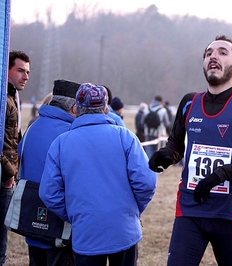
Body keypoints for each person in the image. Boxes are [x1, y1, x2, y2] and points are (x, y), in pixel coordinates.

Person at [148, 35, 232, 265]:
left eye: (222, 52)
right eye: (208, 53)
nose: (213, 56)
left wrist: (221, 174)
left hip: (230, 212)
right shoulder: (189, 102)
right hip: (190, 208)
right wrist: (167, 154)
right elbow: (176, 144)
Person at [39, 83, 157, 266]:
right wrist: (131, 211)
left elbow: (49, 192)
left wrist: (73, 214)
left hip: (86, 231)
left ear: (77, 107)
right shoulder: (125, 138)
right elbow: (147, 182)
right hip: (124, 229)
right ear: (106, 107)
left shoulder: (61, 143)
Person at [18, 79, 80, 266]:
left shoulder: (32, 127)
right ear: (74, 107)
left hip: (31, 220)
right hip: (59, 225)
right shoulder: (70, 133)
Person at [0, 50, 30, 265]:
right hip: (4, 176)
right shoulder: (3, 97)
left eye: (27, 72)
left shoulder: (13, 96)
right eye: (20, 70)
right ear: (6, 69)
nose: (26, 77)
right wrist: (9, 172)